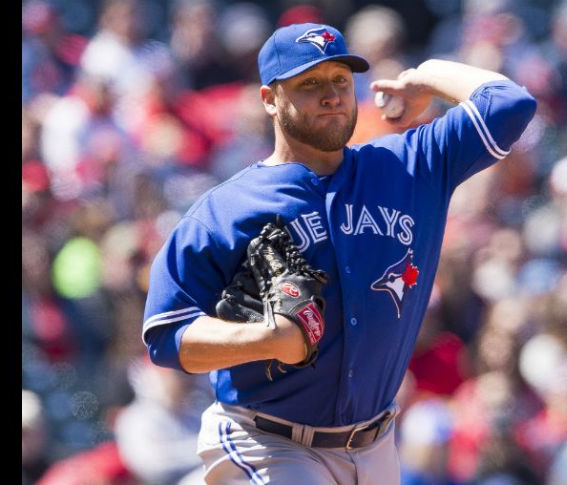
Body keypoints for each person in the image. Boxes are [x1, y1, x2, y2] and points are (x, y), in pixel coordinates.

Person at [142, 22, 536, 484]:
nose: (331, 95)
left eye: (341, 81)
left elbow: (510, 104)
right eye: (310, 83)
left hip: (377, 447)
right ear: (269, 99)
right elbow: (166, 335)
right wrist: (267, 340)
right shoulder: (226, 210)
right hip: (268, 440)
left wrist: (425, 77)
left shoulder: (409, 167)